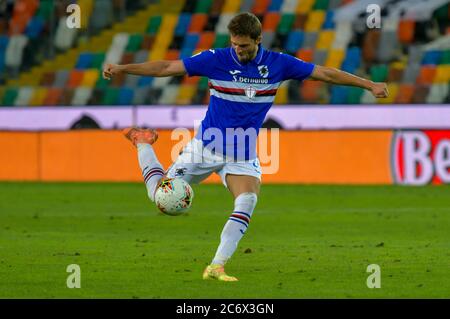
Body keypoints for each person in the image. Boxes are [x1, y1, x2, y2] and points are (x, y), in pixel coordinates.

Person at [103, 12, 388, 282]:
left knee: (247, 201)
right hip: (204, 149)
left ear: (257, 40)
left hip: (241, 154)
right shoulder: (216, 59)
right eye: (234, 44)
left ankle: (216, 266)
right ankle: (142, 144)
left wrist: (368, 84)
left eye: (243, 45)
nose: (237, 49)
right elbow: (167, 67)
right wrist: (123, 68)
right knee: (160, 199)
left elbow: (325, 74)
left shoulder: (279, 64)